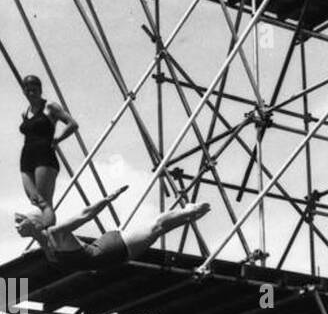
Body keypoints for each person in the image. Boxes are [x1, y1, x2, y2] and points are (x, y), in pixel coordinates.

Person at [15, 188, 211, 273]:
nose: (16, 227)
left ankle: (190, 210)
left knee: (157, 225)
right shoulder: (43, 244)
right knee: (158, 230)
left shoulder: (56, 233)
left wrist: (107, 199)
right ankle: (189, 217)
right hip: (108, 258)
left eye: (19, 221)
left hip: (113, 249)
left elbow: (85, 214)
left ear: (33, 222)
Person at [18, 74, 78, 229]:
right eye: (28, 90)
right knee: (34, 199)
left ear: (40, 90)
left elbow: (72, 124)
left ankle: (51, 237)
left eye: (34, 90)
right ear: (24, 92)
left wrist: (57, 139)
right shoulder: (25, 113)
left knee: (45, 202)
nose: (31, 93)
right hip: (27, 157)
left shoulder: (50, 107)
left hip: (44, 156)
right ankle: (45, 232)